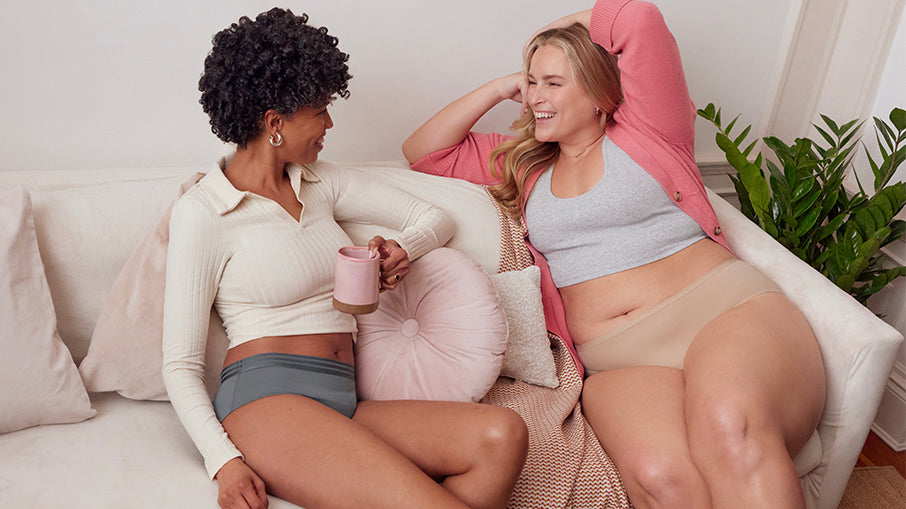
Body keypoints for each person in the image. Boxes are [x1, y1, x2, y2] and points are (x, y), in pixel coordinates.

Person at [402, 1, 826, 507]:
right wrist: (501, 87)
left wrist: (553, 28)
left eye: (553, 83)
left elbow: (638, 17)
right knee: (662, 478)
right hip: (619, 360)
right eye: (532, 82)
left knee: (729, 426)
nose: (536, 96)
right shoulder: (523, 163)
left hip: (719, 311)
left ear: (601, 93)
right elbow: (426, 152)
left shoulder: (651, 129)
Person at [162, 8, 528, 509]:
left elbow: (434, 215)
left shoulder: (320, 182)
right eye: (319, 110)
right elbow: (180, 364)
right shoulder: (203, 212)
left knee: (502, 434)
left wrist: (403, 249)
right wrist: (222, 461)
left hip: (343, 397)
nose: (329, 123)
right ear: (274, 122)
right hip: (266, 404)